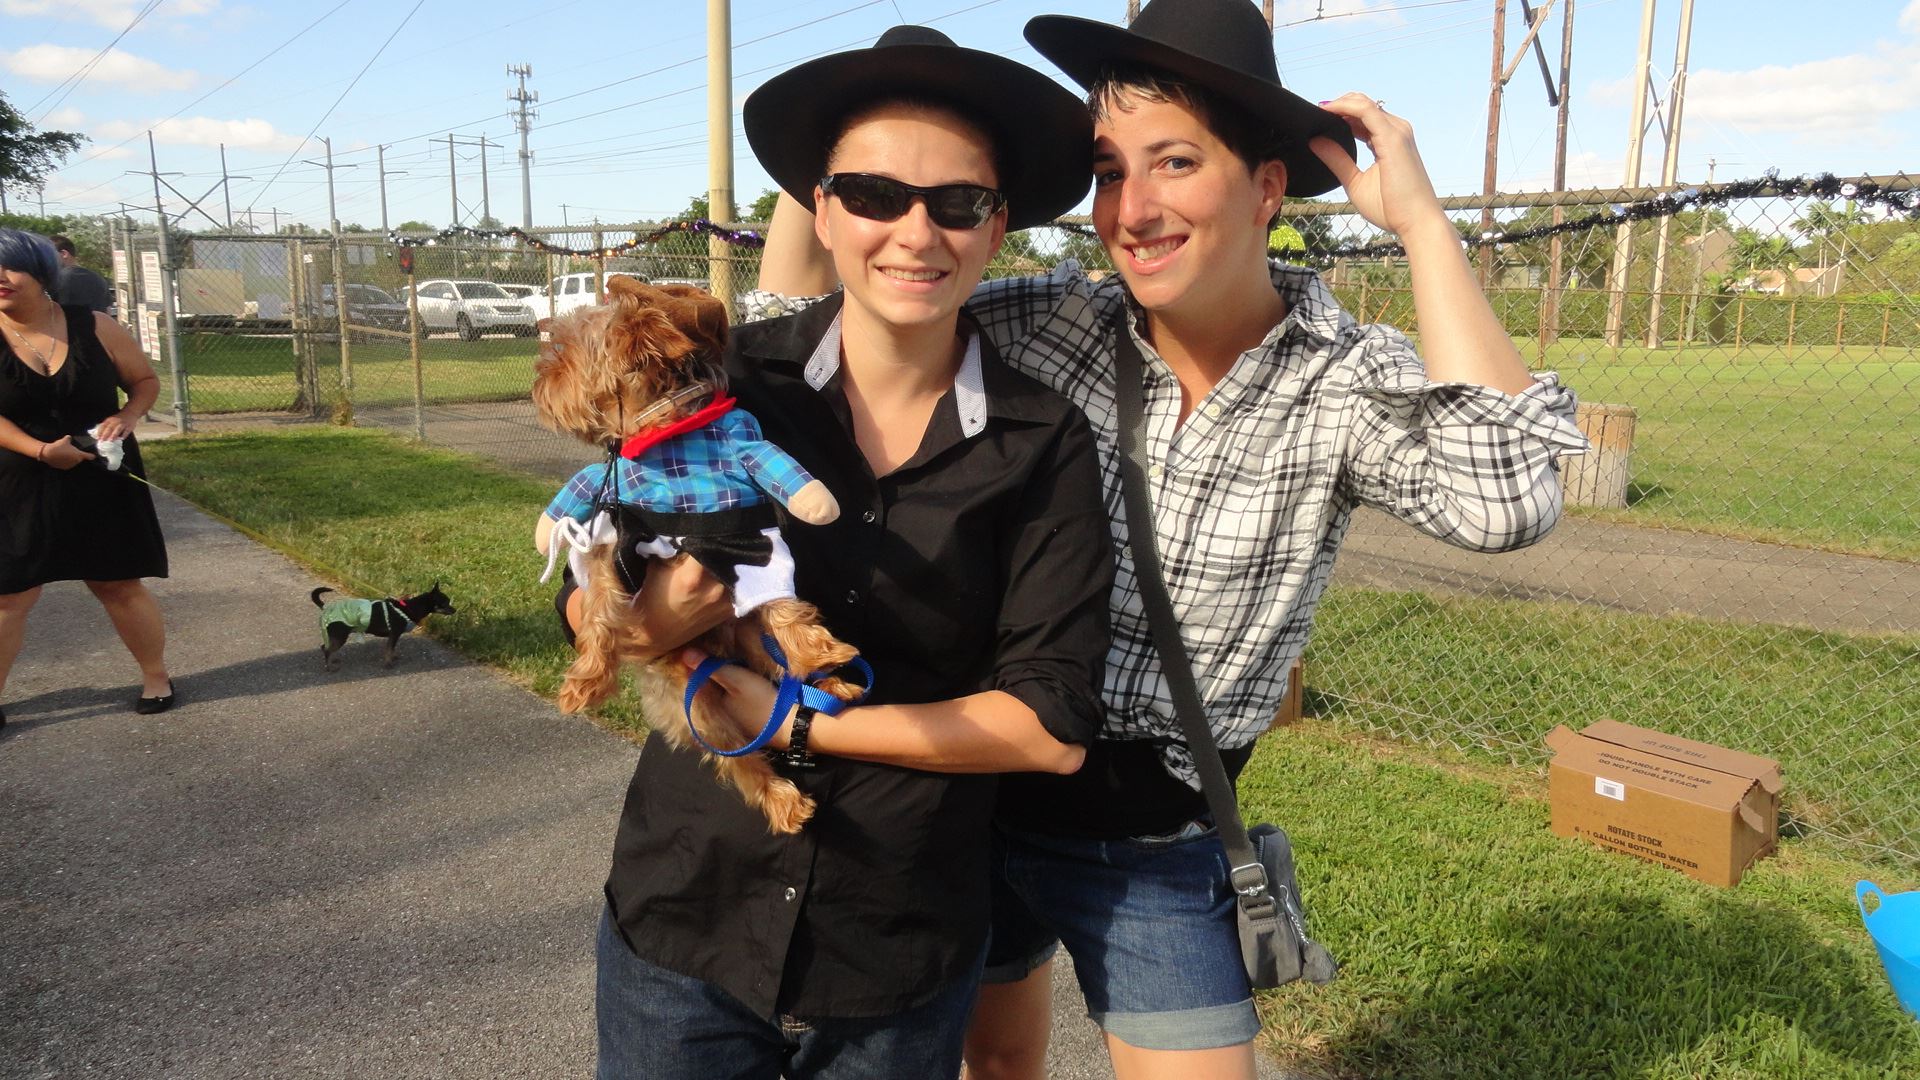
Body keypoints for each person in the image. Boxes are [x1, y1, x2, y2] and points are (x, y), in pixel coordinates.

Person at [751, 1, 1591, 1076]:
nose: (1132, 209)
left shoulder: (1339, 380)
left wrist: (1425, 227)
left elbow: (1506, 502)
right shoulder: (1047, 325)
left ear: (1268, 187)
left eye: (1176, 163)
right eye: (1109, 171)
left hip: (1152, 844)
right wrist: (833, 156)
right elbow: (803, 327)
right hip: (970, 795)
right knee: (997, 1066)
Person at [565, 27, 1116, 1079]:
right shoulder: (726, 384)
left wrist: (795, 718)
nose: (916, 231)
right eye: (873, 194)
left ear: (997, 229)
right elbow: (592, 567)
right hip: (687, 920)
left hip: (896, 952)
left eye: (957, 202)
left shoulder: (1041, 440)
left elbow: (1046, 725)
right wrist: (627, 624)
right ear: (821, 210)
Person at [0, 228, 175, 730]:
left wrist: (129, 417)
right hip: (16, 478)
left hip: (102, 472)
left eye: (11, 266)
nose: (1, 278)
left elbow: (144, 381)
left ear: (42, 272)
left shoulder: (95, 325)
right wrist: (39, 451)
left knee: (117, 582)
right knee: (10, 594)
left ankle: (156, 677)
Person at [50, 235, 115, 315]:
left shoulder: (55, 279)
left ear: (64, 254)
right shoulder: (99, 279)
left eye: (47, 254)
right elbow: (108, 312)